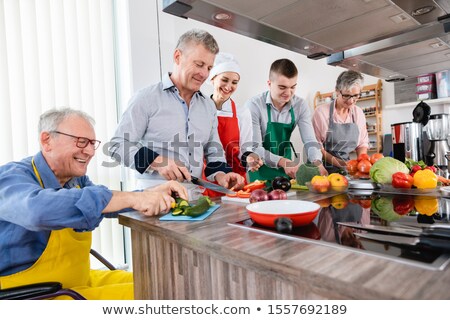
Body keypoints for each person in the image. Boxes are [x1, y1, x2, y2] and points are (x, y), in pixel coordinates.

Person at [0, 108, 188, 300]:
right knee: (161, 295)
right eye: (81, 142)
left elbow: (106, 202)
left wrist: (147, 194)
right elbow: (37, 211)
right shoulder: (10, 178)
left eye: (92, 144)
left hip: (76, 280)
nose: (90, 152)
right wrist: (135, 199)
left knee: (163, 282)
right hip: (34, 294)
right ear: (47, 140)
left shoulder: (75, 181)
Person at [109, 29, 245, 199]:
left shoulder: (208, 107)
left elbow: (213, 149)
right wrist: (157, 161)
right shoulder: (146, 98)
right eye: (199, 64)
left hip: (196, 200)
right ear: (177, 56)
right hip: (153, 199)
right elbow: (117, 145)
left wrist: (221, 175)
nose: (204, 73)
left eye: (209, 67)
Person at [245, 58, 327, 181]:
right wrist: (283, 162)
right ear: (269, 84)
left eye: (293, 87)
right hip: (260, 171)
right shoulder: (254, 105)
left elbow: (310, 140)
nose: (288, 93)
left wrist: (317, 162)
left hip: (286, 172)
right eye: (282, 87)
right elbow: (255, 148)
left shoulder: (300, 105)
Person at [208, 52, 262, 183]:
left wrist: (249, 157)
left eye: (234, 82)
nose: (228, 86)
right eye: (224, 80)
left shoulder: (242, 112)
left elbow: (245, 149)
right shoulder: (200, 110)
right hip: (207, 180)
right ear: (212, 79)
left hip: (235, 181)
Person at [312, 70, 369, 173]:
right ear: (337, 91)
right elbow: (316, 147)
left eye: (356, 95)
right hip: (321, 168)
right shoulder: (321, 113)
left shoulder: (358, 113)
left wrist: (362, 165)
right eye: (346, 96)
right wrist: (340, 163)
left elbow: (362, 144)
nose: (351, 101)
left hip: (346, 168)